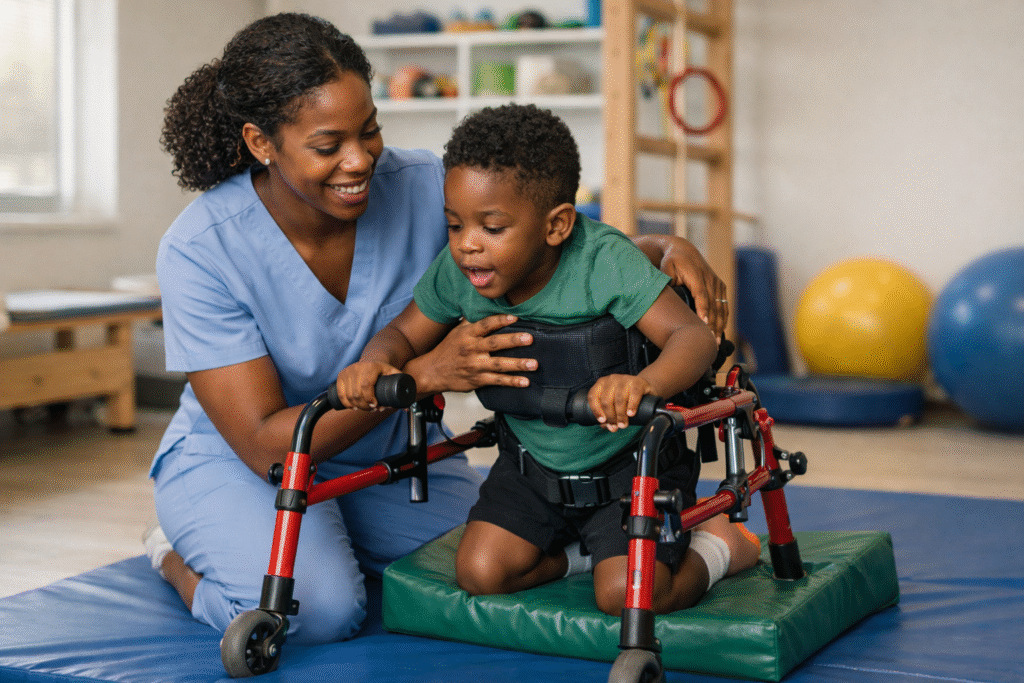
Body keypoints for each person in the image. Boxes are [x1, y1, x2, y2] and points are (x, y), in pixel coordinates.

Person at [144, 13, 731, 645]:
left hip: (383, 450)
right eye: (327, 145)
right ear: (262, 143)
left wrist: (663, 246)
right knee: (317, 610)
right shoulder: (200, 250)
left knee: (462, 571)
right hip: (248, 462)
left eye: (369, 130)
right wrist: (426, 373)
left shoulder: (424, 183)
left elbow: (554, 242)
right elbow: (265, 446)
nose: (359, 159)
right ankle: (174, 559)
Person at [334, 104, 761, 617]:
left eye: (491, 227)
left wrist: (643, 383)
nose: (467, 245)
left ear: (556, 225)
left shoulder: (603, 262)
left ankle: (720, 547)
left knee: (630, 597)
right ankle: (584, 556)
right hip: (531, 470)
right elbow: (402, 332)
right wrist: (375, 362)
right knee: (481, 574)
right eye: (454, 225)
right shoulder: (459, 272)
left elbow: (692, 338)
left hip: (630, 468)